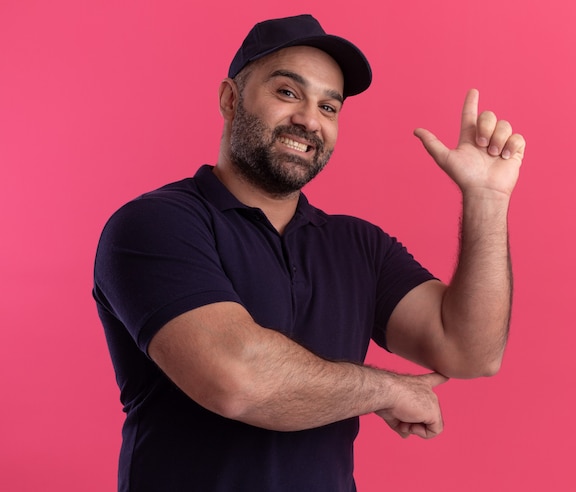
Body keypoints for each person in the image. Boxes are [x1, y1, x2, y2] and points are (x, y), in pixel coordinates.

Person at [93, 13, 525, 492]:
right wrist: (385, 389)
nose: (309, 120)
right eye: (287, 93)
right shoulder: (156, 225)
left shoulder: (359, 246)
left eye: (329, 107)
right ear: (230, 99)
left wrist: (486, 201)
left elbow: (470, 351)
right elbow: (237, 380)